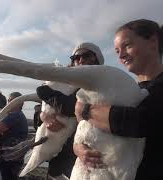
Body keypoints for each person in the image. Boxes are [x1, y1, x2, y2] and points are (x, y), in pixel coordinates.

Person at [74, 19, 163, 180]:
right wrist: (78, 149)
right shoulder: (130, 91)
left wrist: (86, 110)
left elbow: (139, 122)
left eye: (127, 45)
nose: (121, 55)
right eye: (116, 51)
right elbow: (86, 130)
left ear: (153, 41)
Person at [36, 42, 104, 179]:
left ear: (97, 60)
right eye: (75, 58)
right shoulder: (65, 84)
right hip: (59, 155)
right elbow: (40, 110)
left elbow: (69, 107)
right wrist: (44, 116)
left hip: (85, 155)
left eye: (86, 56)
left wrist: (45, 92)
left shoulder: (99, 84)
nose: (81, 60)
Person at [0, 92, 28, 180]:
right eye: (8, 100)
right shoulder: (20, 115)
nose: (8, 103)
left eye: (11, 100)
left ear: (20, 103)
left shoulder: (14, 115)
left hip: (9, 158)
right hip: (16, 157)